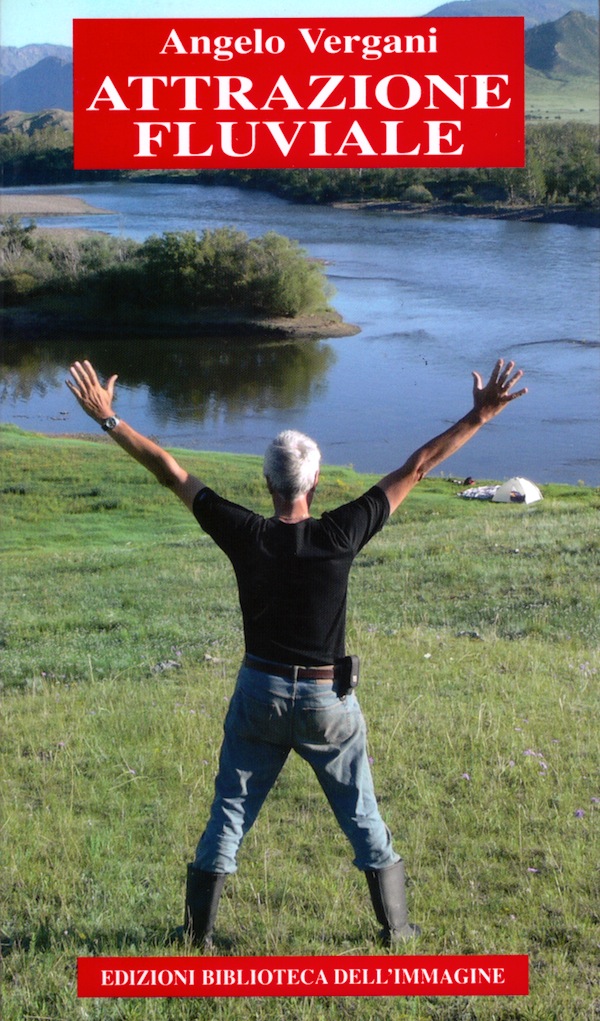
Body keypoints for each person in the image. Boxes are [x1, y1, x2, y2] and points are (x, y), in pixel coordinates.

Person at [66, 356, 527, 948]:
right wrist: (480, 416)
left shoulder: (245, 533)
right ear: (315, 484)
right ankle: (398, 930)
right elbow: (418, 466)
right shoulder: (341, 533)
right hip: (327, 701)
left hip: (258, 693)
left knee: (230, 812)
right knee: (361, 813)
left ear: (267, 484)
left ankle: (197, 939)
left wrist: (109, 419)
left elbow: (171, 472)